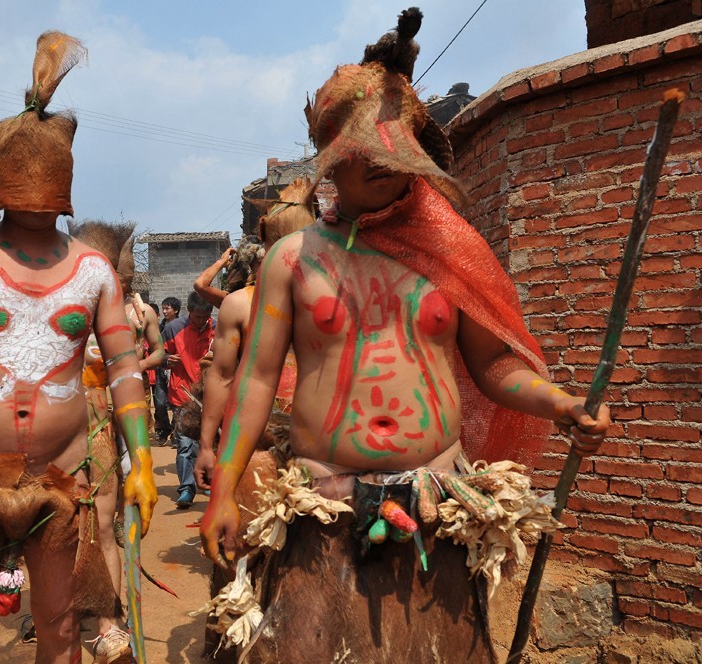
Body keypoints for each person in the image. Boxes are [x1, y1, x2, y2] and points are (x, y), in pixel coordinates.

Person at [200, 8, 611, 662]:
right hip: (322, 508)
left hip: (438, 505)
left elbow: (494, 369)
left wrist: (558, 404)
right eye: (361, 151)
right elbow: (253, 379)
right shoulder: (294, 259)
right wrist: (223, 491)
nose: (380, 163)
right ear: (332, 161)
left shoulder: (451, 254)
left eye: (393, 147)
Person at [0, 32, 156, 664]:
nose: (40, 216)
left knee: (62, 637)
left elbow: (124, 367)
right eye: (26, 204)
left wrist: (140, 459)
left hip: (62, 483)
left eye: (51, 206)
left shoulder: (94, 270)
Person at [72, 220, 164, 657]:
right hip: (58, 429)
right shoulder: (61, 307)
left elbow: (154, 354)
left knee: (103, 524)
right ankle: (63, 610)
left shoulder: (133, 315)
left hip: (109, 419)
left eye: (123, 280)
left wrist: (131, 372)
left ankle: (109, 620)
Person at [194, 183, 315, 492]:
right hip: (257, 446)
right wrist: (207, 445)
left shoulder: (332, 298)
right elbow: (221, 375)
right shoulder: (240, 304)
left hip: (320, 447)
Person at [163, 291, 215, 508]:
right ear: (188, 312)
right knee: (185, 444)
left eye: (204, 317)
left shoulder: (219, 330)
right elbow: (157, 355)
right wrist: (166, 360)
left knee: (210, 444)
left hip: (212, 396)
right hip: (183, 394)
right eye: (196, 317)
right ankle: (186, 489)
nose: (201, 321)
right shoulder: (173, 328)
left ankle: (210, 485)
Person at [153, 297, 181, 443]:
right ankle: (164, 429)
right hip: (161, 369)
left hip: (177, 370)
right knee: (159, 403)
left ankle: (176, 432)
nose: (164, 311)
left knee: (178, 404)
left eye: (167, 308)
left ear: (176, 310)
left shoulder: (182, 327)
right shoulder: (158, 328)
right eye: (163, 308)